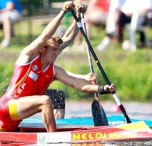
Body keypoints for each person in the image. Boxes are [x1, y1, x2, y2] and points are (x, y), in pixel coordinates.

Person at [0, 1, 116, 132]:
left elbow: (77, 84)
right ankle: (54, 139)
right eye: (54, 50)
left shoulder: (54, 70)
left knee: (47, 100)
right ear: (43, 48)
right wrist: (63, 12)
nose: (57, 53)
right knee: (46, 100)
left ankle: (52, 135)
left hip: (12, 123)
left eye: (58, 50)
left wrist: (102, 89)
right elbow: (45, 36)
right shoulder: (28, 56)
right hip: (6, 107)